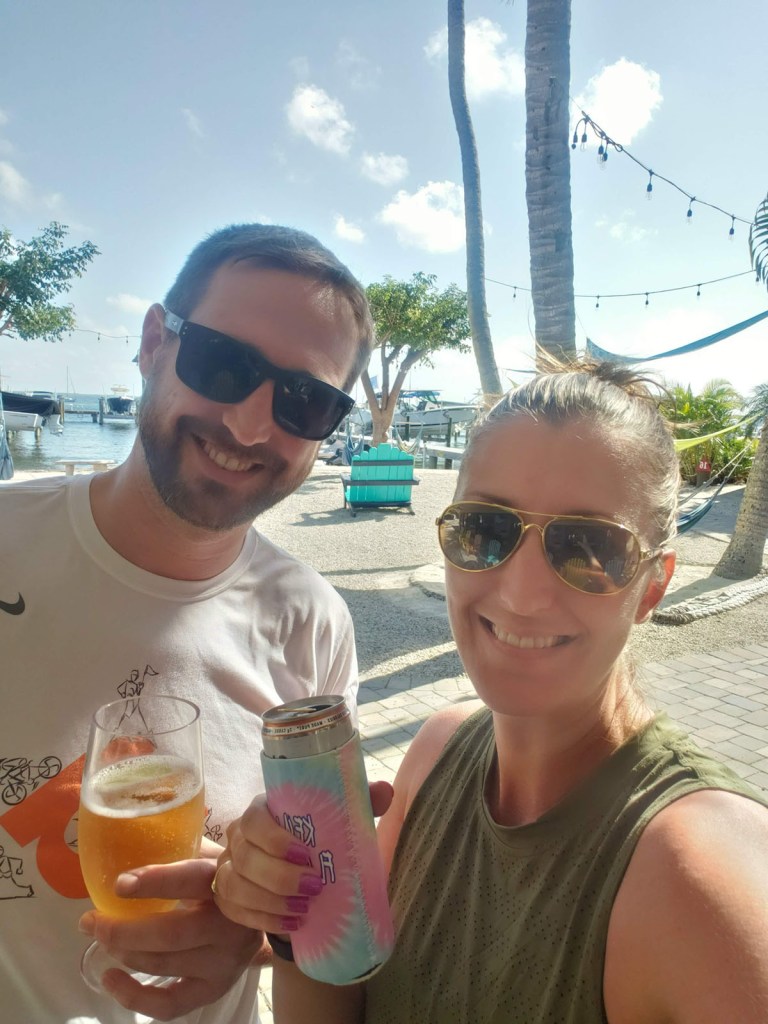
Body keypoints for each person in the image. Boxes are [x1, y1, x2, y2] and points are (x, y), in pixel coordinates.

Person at [214, 361, 768, 1023]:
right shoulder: (435, 750)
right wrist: (294, 911)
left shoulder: (701, 877)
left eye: (590, 547)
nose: (521, 594)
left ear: (653, 585)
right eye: (484, 531)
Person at [0, 222, 375, 1024]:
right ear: (152, 343)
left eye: (303, 400)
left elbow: (317, 897)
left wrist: (254, 925)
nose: (248, 426)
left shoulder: (312, 623)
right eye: (224, 364)